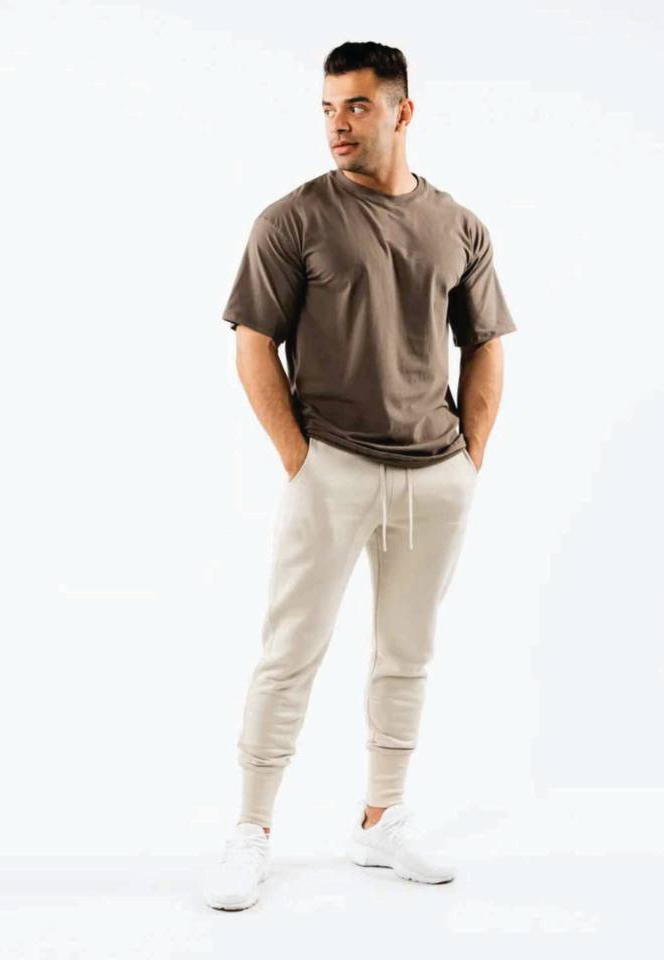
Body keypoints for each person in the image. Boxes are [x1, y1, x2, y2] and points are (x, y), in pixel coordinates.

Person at [204, 40, 516, 911]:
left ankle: (382, 820)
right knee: (290, 651)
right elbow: (253, 345)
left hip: (436, 473)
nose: (339, 124)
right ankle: (251, 830)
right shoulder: (292, 219)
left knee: (407, 654)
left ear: (402, 112)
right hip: (332, 465)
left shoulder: (460, 225)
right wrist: (301, 461)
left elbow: (485, 343)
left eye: (358, 106)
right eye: (329, 108)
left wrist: (469, 460)